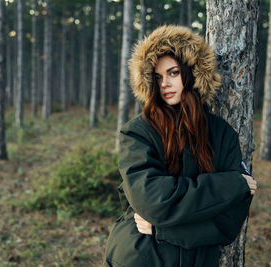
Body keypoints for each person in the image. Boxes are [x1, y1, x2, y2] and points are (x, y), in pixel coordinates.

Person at [104, 25, 257, 267]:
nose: (164, 83)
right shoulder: (138, 132)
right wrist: (230, 184)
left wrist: (162, 230)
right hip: (141, 257)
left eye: (173, 73)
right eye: (157, 77)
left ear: (191, 73)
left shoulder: (222, 134)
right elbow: (153, 201)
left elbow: (229, 222)